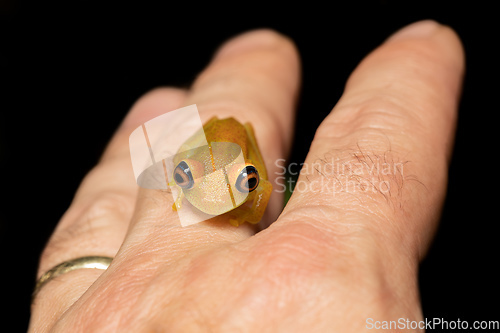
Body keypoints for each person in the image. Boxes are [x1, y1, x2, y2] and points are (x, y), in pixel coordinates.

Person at [29, 20, 464, 332]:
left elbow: (259, 186)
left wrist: (244, 196)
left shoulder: (248, 173)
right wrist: (181, 185)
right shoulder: (196, 163)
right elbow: (182, 163)